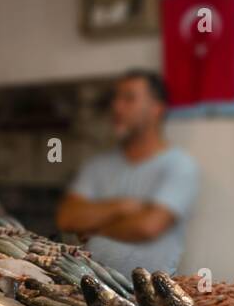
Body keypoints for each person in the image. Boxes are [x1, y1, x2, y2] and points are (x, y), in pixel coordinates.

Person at [56, 70, 199, 276]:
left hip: (145, 298)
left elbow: (147, 227)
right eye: (116, 98)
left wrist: (95, 224)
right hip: (86, 288)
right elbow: (68, 218)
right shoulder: (99, 166)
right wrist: (122, 206)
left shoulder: (179, 166)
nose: (117, 106)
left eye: (129, 98)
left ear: (156, 109)